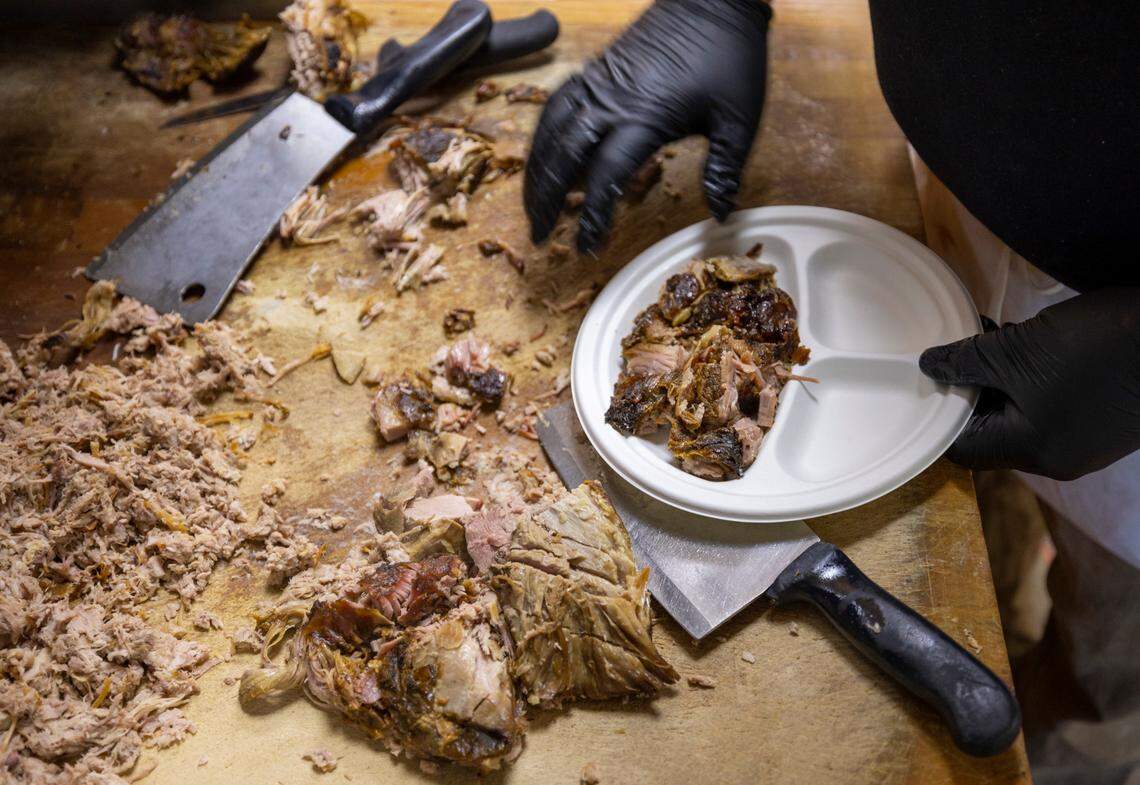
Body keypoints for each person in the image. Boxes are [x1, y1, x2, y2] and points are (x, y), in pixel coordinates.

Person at [523, 2, 1140, 782]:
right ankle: (1012, 593)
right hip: (945, 195)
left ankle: (1071, 756)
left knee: (1107, 657)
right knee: (981, 522)